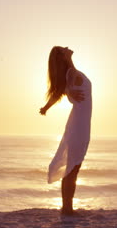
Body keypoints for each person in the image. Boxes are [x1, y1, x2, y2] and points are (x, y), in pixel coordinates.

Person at [39, 46, 92, 215]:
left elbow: (58, 92)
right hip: (78, 125)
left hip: (80, 124)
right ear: (62, 57)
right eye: (64, 49)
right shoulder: (71, 74)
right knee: (72, 168)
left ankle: (67, 208)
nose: (68, 48)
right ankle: (67, 209)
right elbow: (65, 86)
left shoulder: (68, 76)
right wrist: (69, 58)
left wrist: (46, 107)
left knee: (73, 167)